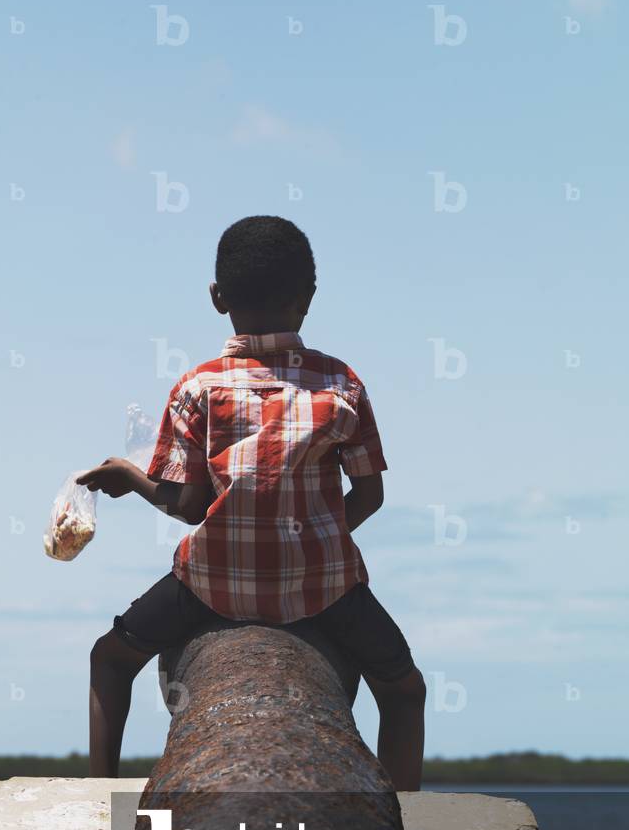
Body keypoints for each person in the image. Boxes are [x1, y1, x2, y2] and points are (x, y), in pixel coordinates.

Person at [78, 215, 426, 789]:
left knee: (109, 659)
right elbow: (370, 494)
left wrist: (130, 477)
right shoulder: (342, 384)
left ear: (217, 298)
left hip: (213, 583)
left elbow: (189, 507)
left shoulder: (198, 387)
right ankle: (403, 817)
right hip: (324, 586)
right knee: (404, 690)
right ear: (308, 299)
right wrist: (316, 538)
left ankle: (97, 793)